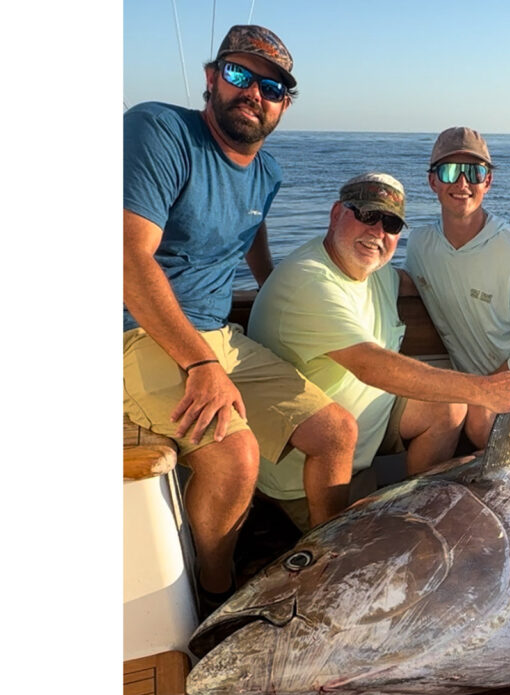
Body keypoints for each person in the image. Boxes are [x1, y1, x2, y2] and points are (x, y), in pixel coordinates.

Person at [123, 25, 353, 614]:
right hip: (140, 332)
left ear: (284, 103)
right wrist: (199, 362)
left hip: (222, 337)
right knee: (236, 456)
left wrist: (272, 278)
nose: (254, 91)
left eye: (271, 85)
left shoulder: (268, 173)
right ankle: (216, 595)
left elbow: (252, 225)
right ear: (211, 78)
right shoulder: (160, 129)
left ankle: (323, 574)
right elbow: (126, 254)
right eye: (238, 75)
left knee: (336, 433)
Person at [247, 172, 510, 531]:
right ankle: (328, 541)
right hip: (306, 476)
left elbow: (421, 281)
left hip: (364, 441)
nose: (377, 232)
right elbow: (372, 366)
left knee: (448, 408)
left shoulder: (379, 275)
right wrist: (486, 390)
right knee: (348, 556)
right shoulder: (309, 280)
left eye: (391, 223)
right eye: (367, 216)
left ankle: (415, 512)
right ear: (336, 213)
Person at [404, 127, 510, 449]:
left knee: (480, 415)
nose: (462, 183)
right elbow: (409, 281)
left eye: (474, 172)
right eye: (450, 171)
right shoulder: (420, 244)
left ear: (487, 182)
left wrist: (484, 388)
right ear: (433, 181)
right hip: (475, 386)